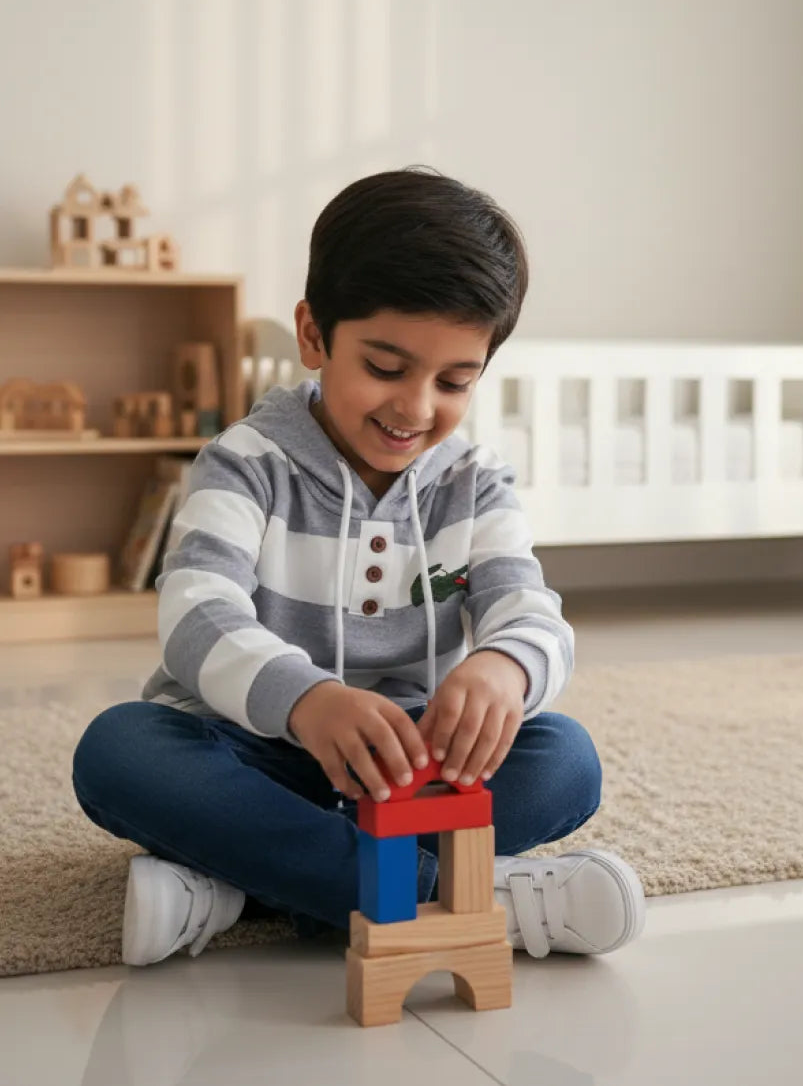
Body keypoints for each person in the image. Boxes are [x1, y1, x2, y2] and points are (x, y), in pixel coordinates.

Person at [72, 167, 645, 965]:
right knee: (120, 751)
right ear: (314, 336)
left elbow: (529, 610)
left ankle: (240, 891)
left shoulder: (474, 483)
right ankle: (484, 900)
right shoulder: (243, 465)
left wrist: (504, 671)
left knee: (566, 761)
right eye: (385, 367)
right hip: (254, 753)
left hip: (409, 770)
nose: (415, 408)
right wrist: (306, 699)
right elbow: (196, 614)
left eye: (453, 381)